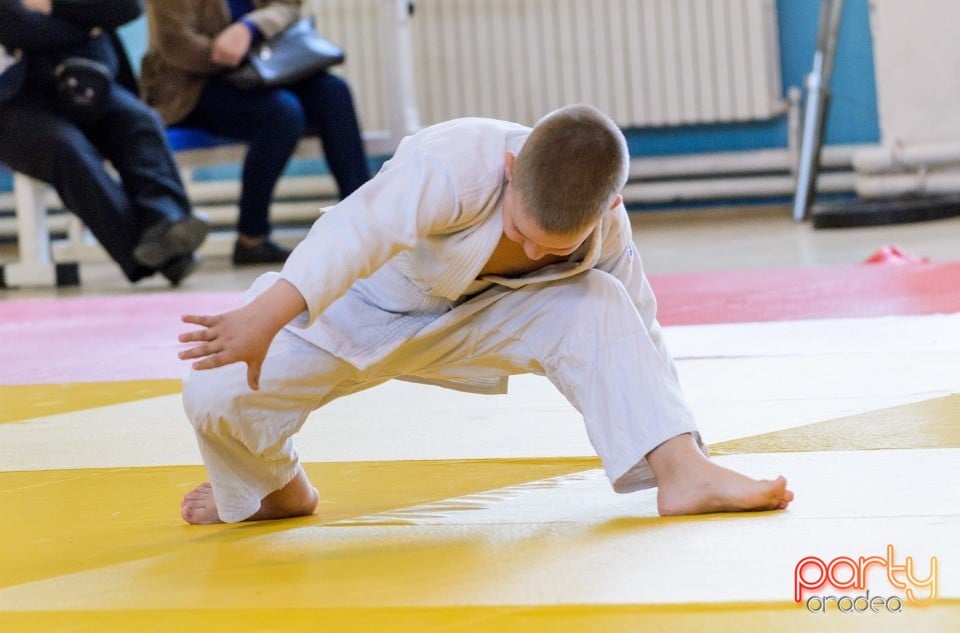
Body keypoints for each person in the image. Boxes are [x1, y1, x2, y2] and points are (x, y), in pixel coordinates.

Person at [177, 105, 794, 524]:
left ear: (609, 207)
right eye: (523, 231)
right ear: (510, 169)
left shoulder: (609, 232)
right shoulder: (455, 160)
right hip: (358, 308)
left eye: (553, 247)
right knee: (213, 386)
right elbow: (354, 231)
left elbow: (640, 332)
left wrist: (686, 443)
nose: (531, 252)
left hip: (487, 323)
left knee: (603, 303)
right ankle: (275, 491)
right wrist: (264, 314)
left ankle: (684, 476)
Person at [140, 0, 371, 266]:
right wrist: (226, 52)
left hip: (263, 67)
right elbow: (175, 44)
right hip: (191, 85)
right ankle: (252, 238)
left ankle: (365, 225)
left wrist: (249, 28)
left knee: (334, 93)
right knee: (283, 111)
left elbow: (288, 6)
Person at [0, 0, 208, 285]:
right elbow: (16, 26)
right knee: (67, 149)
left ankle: (167, 221)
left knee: (138, 120)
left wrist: (51, 5)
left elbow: (127, 7)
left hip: (85, 77)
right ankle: (157, 255)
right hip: (13, 102)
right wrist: (88, 27)